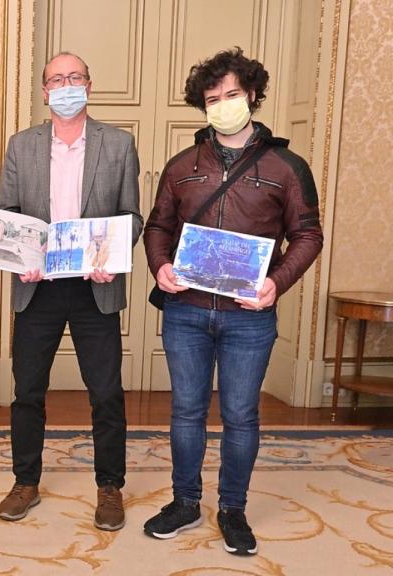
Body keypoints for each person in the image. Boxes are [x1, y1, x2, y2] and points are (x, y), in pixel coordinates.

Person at [142, 48, 323, 556]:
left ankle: (232, 509)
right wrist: (161, 266)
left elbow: (308, 234)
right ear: (202, 106)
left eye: (232, 95)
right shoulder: (182, 166)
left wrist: (277, 283)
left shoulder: (287, 167)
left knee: (241, 415)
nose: (223, 105)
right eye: (212, 98)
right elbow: (157, 226)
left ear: (252, 95)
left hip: (250, 315)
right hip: (187, 311)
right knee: (186, 412)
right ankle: (184, 502)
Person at [0, 52, 143, 530]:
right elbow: (9, 215)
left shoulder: (119, 145)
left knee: (105, 392)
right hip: (38, 289)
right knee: (28, 391)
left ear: (89, 85)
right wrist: (20, 259)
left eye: (74, 77)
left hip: (93, 289)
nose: (65, 85)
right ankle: (25, 482)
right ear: (43, 91)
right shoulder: (22, 146)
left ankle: (110, 487)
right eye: (56, 79)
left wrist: (113, 259)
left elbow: (132, 217)